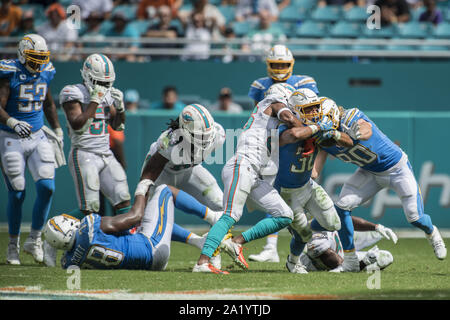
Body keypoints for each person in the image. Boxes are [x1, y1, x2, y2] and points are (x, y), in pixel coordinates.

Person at [192, 84, 333, 274]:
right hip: (242, 165)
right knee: (230, 215)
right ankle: (202, 262)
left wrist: (311, 133)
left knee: (284, 214)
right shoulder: (273, 103)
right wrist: (316, 128)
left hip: (254, 174)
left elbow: (291, 135)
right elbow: (287, 117)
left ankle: (236, 243)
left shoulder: (268, 122)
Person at [311, 98, 447, 271]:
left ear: (332, 115)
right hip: (370, 172)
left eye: (318, 117)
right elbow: (315, 172)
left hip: (397, 169)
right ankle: (350, 260)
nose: (315, 121)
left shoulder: (350, 118)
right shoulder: (323, 140)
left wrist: (350, 134)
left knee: (415, 217)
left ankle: (432, 233)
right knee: (342, 207)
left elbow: (366, 130)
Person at [247, 44, 319, 263]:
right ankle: (273, 247)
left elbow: (313, 114)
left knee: (305, 197)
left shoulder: (305, 82)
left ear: (291, 65)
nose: (279, 69)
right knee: (274, 193)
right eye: (276, 64)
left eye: (283, 65)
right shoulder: (260, 85)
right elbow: (260, 116)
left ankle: (318, 242)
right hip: (276, 144)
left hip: (299, 142)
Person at [43, 181, 218, 270]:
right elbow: (135, 216)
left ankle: (197, 241)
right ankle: (213, 216)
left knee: (144, 225)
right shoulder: (89, 226)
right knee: (165, 190)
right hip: (153, 248)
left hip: (147, 264)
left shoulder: (69, 262)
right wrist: (141, 192)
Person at [0, 34, 64, 265]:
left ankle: (34, 239)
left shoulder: (45, 72)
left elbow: (48, 103)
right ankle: (12, 247)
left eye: (42, 57)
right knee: (17, 192)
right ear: (22, 54)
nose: (39, 63)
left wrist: (57, 128)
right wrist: (12, 122)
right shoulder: (10, 74)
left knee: (47, 187)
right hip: (11, 137)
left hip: (38, 136)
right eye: (35, 57)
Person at [140, 103, 226, 268]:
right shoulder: (168, 142)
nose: (207, 140)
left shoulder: (218, 135)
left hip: (189, 172)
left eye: (208, 134)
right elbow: (149, 174)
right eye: (201, 135)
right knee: (153, 222)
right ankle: (198, 241)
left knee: (223, 206)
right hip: (161, 175)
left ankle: (213, 249)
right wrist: (141, 200)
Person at [59, 54, 131, 223]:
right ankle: (55, 228)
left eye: (106, 83)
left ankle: (122, 244)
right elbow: (78, 125)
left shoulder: (106, 95)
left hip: (105, 153)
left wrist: (120, 109)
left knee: (123, 199)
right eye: (100, 82)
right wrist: (94, 101)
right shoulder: (73, 92)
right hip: (84, 153)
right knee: (89, 209)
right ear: (87, 75)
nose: (103, 86)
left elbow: (117, 126)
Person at [292, 216, 397, 273]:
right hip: (326, 263)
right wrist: (364, 262)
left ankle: (363, 268)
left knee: (387, 257)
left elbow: (348, 220)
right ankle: (363, 268)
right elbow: (338, 263)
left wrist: (376, 227)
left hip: (343, 255)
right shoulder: (316, 239)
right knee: (320, 247)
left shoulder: (324, 219)